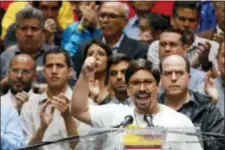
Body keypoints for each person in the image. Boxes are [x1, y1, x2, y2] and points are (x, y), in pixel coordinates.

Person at [71, 57, 203, 150]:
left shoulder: (179, 122)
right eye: (135, 83)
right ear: (128, 89)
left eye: (147, 82)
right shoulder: (115, 115)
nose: (142, 88)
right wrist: (84, 74)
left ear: (158, 86)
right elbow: (79, 110)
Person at [159, 54, 225, 150]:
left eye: (179, 73)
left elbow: (220, 144)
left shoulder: (207, 108)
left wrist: (181, 138)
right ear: (161, 79)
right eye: (168, 73)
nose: (173, 78)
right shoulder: (150, 107)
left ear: (188, 78)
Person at [20, 48, 78, 150]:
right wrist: (42, 129)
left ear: (70, 72)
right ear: (43, 72)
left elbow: (83, 147)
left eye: (59, 66)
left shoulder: (82, 104)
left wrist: (68, 118)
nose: (54, 71)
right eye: (49, 66)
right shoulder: (29, 107)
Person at [73, 2, 148, 72]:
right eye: (102, 16)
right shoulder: (85, 48)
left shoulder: (139, 49)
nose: (105, 20)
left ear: (125, 22)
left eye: (112, 16)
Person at [148, 1, 219, 72]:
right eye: (182, 19)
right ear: (172, 19)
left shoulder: (212, 47)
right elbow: (158, 78)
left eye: (192, 20)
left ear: (198, 22)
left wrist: (206, 63)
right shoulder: (157, 46)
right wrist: (196, 62)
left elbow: (217, 80)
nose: (186, 24)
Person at [0, 7, 54, 86]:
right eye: (24, 28)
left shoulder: (56, 55)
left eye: (34, 29)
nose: (29, 34)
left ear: (43, 32)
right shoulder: (4, 57)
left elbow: (71, 86)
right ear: (16, 32)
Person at [197, 42, 225, 116]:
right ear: (217, 58)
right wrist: (212, 102)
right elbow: (200, 124)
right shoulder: (203, 90)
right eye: (224, 55)